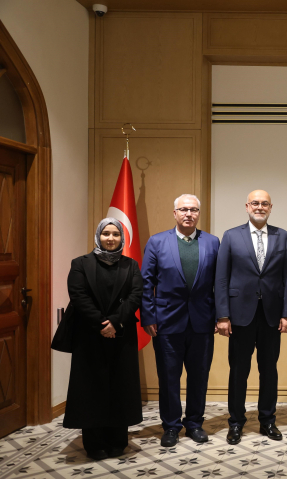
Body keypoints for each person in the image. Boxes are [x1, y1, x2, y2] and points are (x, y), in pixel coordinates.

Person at [215, 190, 287, 444]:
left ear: (270, 208)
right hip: (239, 316)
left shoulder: (283, 236)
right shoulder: (231, 236)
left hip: (272, 316)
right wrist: (223, 315)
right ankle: (236, 422)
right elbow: (221, 278)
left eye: (264, 204)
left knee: (269, 370)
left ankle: (267, 420)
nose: (259, 207)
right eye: (255, 203)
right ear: (247, 206)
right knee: (238, 371)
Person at [141, 194, 220, 447]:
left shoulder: (213, 242)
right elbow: (146, 283)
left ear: (199, 214)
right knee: (168, 378)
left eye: (193, 209)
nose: (189, 214)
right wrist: (148, 316)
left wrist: (220, 316)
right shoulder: (157, 242)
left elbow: (219, 283)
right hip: (166, 322)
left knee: (199, 376)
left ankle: (194, 423)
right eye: (184, 209)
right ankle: (171, 426)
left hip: (202, 322)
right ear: (175, 213)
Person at [63, 218, 143, 460]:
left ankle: (118, 441)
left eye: (116, 234)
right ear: (98, 236)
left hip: (122, 334)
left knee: (121, 386)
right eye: (106, 233)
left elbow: (136, 295)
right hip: (89, 335)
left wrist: (115, 323)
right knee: (91, 388)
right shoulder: (80, 263)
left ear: (122, 238)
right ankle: (94, 444)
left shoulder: (131, 265)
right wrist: (102, 324)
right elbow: (78, 295)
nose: (111, 238)